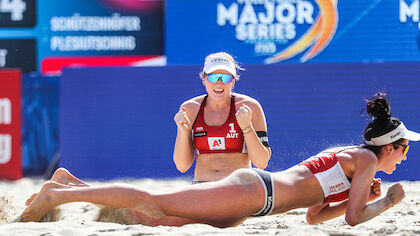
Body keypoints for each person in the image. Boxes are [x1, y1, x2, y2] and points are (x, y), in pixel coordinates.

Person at [20, 92, 419, 227]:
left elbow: (314, 217)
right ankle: (56, 196)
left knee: (162, 219)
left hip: (252, 201)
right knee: (157, 204)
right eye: (406, 149)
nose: (405, 157)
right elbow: (352, 220)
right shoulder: (364, 161)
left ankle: (73, 185)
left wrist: (360, 195)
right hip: (252, 192)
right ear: (391, 146)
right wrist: (385, 202)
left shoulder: (352, 161)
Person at [173, 52, 271, 182]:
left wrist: (247, 127)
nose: (219, 83)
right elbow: (182, 166)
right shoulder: (190, 108)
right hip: (203, 187)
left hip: (240, 187)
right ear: (204, 80)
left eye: (225, 78)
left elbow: (262, 163)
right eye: (213, 77)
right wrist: (183, 132)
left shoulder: (250, 107)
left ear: (233, 81)